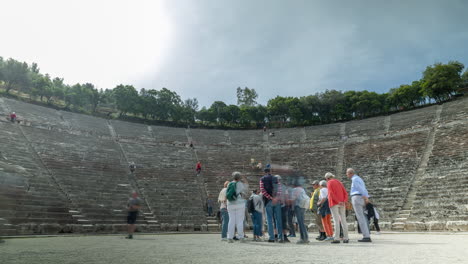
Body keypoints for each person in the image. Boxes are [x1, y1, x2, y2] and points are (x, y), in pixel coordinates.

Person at [346, 168, 372, 242]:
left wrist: (366, 197)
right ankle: (367, 234)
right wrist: (366, 197)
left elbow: (360, 189)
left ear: (350, 173)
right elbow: (364, 188)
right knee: (363, 217)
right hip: (361, 198)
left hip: (357, 197)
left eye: (347, 173)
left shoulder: (354, 179)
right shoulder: (359, 179)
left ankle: (366, 236)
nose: (346, 175)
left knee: (360, 217)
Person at [260, 167, 284, 243]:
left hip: (268, 201)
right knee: (278, 219)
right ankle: (280, 238)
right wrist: (276, 198)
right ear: (270, 171)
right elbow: (280, 190)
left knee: (269, 220)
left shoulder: (262, 179)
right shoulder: (276, 178)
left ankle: (272, 238)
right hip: (277, 201)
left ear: (264, 172)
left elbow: (262, 190)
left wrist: (270, 198)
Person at [325, 172, 349, 244]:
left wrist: (337, 201)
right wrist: (344, 201)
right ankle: (346, 237)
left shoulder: (329, 183)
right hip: (342, 203)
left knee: (336, 221)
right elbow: (345, 193)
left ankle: (336, 238)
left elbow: (331, 193)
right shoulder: (339, 182)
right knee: (343, 220)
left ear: (327, 178)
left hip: (334, 203)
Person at [227, 172, 248, 243]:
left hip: (230, 204)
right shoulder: (240, 184)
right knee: (239, 221)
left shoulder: (229, 184)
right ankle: (241, 237)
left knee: (231, 220)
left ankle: (230, 237)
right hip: (240, 204)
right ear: (239, 178)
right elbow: (245, 193)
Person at [290, 178, 309, 244]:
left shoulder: (295, 190)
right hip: (303, 206)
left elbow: (293, 199)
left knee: (300, 222)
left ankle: (303, 238)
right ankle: (305, 237)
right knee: (302, 222)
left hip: (298, 206)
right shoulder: (302, 189)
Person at [276, 175, 290, 243]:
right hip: (283, 206)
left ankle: (276, 236)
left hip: (276, 206)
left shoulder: (273, 186)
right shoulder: (284, 187)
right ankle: (284, 236)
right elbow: (287, 197)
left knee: (276, 221)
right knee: (284, 221)